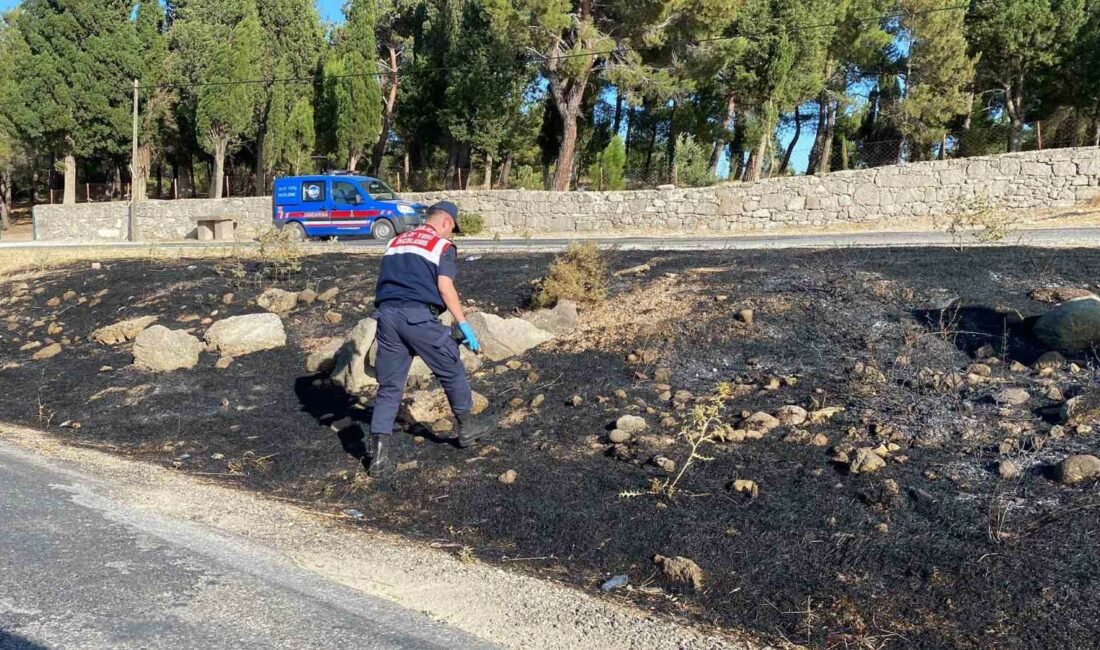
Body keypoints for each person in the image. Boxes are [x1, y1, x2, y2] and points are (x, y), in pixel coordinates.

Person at [367, 201, 492, 478]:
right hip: (417, 317)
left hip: (386, 317)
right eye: (453, 230)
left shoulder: (397, 241)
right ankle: (467, 428)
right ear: (446, 223)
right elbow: (445, 287)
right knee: (451, 368)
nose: (452, 235)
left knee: (389, 387)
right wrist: (463, 323)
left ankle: (378, 457)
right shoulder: (441, 245)